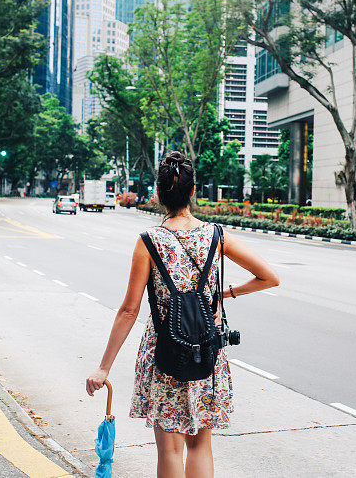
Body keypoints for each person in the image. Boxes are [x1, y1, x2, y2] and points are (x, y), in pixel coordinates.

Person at [86, 151, 279, 478]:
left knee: (170, 450)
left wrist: (103, 368)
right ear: (192, 192)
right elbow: (269, 277)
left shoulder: (149, 241)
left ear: (159, 195)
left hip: (164, 352)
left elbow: (130, 309)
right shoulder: (216, 236)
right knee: (200, 446)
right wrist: (224, 293)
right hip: (206, 350)